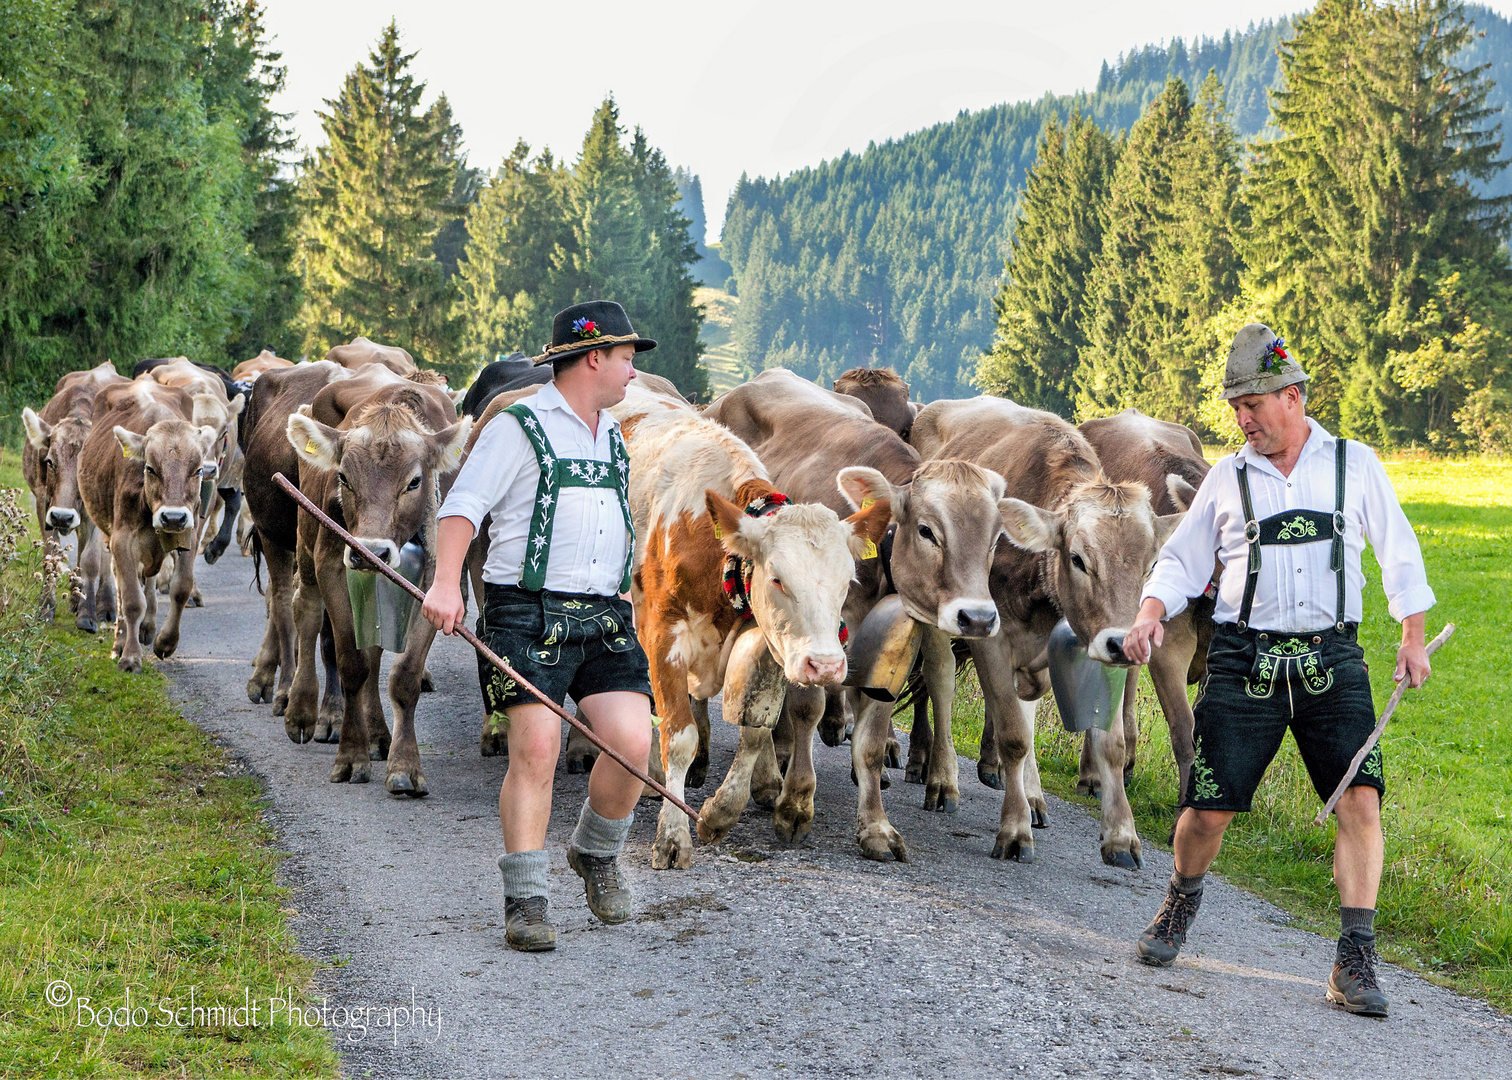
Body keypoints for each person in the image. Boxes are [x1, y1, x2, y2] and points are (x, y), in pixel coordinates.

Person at [1123, 324, 1434, 1018]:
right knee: (1207, 813)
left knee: (1360, 801)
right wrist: (1149, 613)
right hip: (1243, 660)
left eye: (1253, 404)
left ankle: (1354, 960)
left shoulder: (1355, 465)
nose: (1242, 419)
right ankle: (1180, 901)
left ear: (1292, 397)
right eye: (1235, 407)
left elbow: (1400, 552)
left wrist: (1411, 637)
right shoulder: (1228, 478)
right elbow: (1181, 562)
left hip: (1333, 661)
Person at [421, 300, 656, 953]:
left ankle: (596, 853)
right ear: (592, 358)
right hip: (527, 611)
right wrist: (446, 585)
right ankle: (526, 898)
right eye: (626, 359)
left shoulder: (611, 434)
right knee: (536, 750)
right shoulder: (518, 428)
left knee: (633, 743)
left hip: (605, 613)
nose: (632, 374)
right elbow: (461, 508)